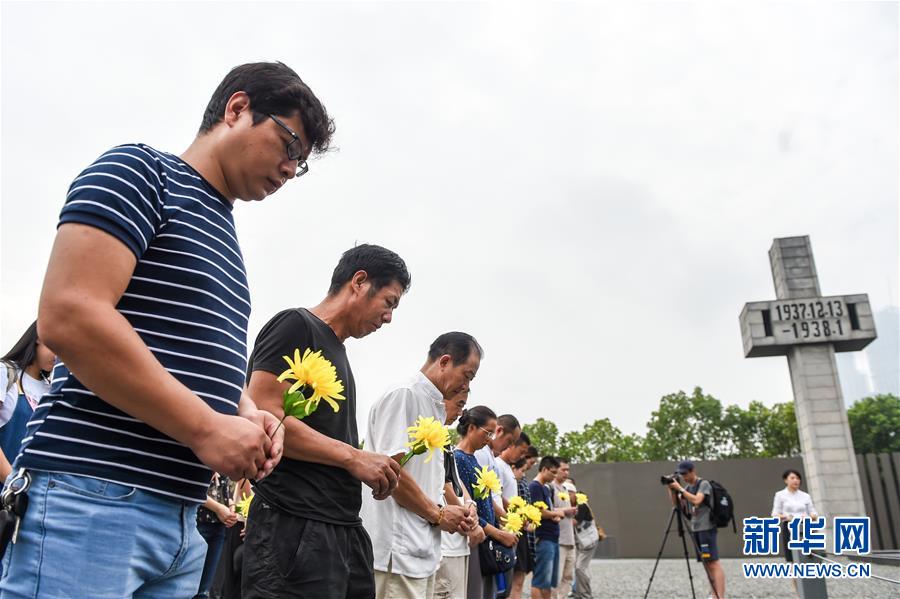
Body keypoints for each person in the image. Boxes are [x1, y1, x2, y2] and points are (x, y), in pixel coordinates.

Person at [1, 61, 329, 596]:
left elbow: (185, 355)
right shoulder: (141, 172)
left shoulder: (226, 239)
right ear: (237, 108)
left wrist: (246, 412)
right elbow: (70, 314)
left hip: (181, 521)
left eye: (302, 162)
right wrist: (206, 429)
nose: (292, 169)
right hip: (92, 495)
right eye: (289, 145)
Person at [241, 244, 410, 599]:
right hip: (294, 526)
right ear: (359, 282)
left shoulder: (339, 352)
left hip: (341, 528)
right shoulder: (296, 325)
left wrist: (364, 464)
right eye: (389, 302)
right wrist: (353, 457)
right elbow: (264, 416)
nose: (389, 317)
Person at [362, 332, 483, 598]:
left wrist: (457, 510)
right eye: (467, 375)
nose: (465, 386)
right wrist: (439, 514)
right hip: (397, 552)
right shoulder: (405, 395)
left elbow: (431, 480)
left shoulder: (434, 406)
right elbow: (389, 471)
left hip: (422, 549)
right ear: (445, 362)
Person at [454, 406, 518, 599]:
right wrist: (498, 534)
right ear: (471, 428)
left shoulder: (473, 459)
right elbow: (467, 507)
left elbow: (485, 500)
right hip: (475, 537)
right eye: (487, 433)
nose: (490, 438)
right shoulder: (459, 459)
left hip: (485, 537)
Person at [435, 389, 485, 599]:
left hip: (458, 542)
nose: (460, 413)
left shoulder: (444, 438)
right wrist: (470, 522)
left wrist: (470, 503)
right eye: (459, 404)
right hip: (446, 542)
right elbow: (443, 482)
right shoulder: (431, 434)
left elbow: (454, 478)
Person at [0, 321, 55, 480]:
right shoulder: (5, 372)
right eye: (57, 347)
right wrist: (13, 482)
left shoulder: (51, 390)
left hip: (28, 490)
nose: (59, 357)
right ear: (40, 336)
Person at [668, 460, 726, 599]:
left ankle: (720, 596)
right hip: (696, 529)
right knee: (707, 563)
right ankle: (714, 594)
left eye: (685, 473)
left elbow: (697, 500)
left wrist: (680, 489)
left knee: (713, 562)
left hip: (707, 528)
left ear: (692, 471)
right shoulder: (688, 487)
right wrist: (671, 490)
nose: (683, 477)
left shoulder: (703, 484)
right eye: (681, 474)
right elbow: (677, 504)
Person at [529, 456, 567, 599]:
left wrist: (553, 515)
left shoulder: (545, 488)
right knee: (540, 581)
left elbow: (547, 511)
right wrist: (555, 513)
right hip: (543, 538)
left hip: (552, 538)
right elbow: (537, 512)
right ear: (544, 469)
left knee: (549, 582)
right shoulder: (535, 487)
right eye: (553, 472)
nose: (555, 476)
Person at [194, 474, 238, 599]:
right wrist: (218, 509)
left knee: (204, 591)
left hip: (219, 527)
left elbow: (226, 488)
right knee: (187, 585)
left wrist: (232, 507)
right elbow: (193, 490)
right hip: (198, 522)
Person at [772, 468, 818, 562]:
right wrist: (786, 517)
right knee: (792, 557)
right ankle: (794, 571)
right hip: (789, 527)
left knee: (809, 556)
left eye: (797, 478)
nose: (796, 480)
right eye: (792, 478)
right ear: (786, 480)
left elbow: (814, 513)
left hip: (805, 527)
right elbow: (775, 514)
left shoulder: (805, 496)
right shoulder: (780, 495)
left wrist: (809, 517)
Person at [509, 457, 536, 599]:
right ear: (513, 468)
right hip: (513, 530)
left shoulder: (520, 482)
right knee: (514, 580)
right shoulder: (512, 482)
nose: (524, 474)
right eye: (522, 470)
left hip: (522, 533)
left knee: (520, 579)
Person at [550, 458, 578, 599]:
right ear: (556, 469)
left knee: (568, 576)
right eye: (564, 469)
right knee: (556, 577)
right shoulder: (550, 488)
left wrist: (572, 511)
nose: (566, 473)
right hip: (558, 539)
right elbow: (546, 510)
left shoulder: (566, 489)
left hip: (570, 539)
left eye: (568, 470)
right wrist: (566, 510)